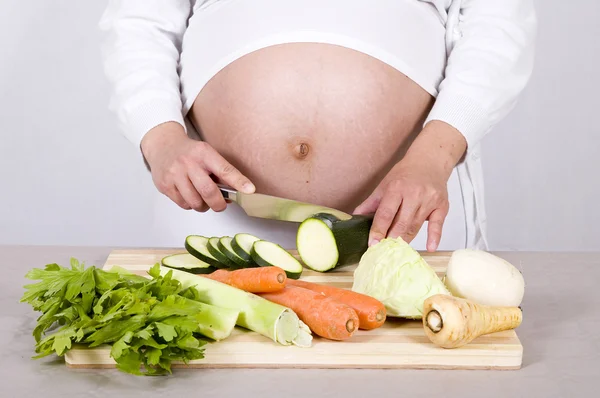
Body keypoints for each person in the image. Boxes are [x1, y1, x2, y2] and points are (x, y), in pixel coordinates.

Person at [98, 0, 536, 252]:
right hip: (216, 223)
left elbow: (497, 22)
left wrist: (435, 153)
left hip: (401, 226)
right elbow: (139, 20)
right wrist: (160, 136)